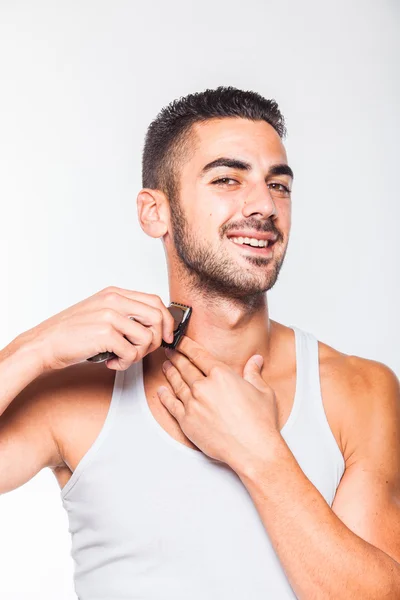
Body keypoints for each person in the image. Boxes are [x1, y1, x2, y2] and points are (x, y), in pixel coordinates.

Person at [1, 86, 399, 599]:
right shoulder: (76, 395)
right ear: (154, 213)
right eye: (228, 180)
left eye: (278, 185)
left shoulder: (358, 390)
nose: (263, 205)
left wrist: (259, 455)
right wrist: (33, 348)